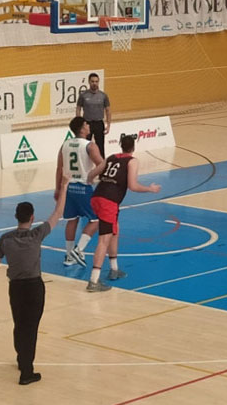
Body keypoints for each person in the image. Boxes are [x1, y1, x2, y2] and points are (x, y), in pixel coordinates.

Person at [0, 175, 71, 385]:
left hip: (16, 288)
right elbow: (58, 213)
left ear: (16, 217)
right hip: (33, 287)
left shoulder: (6, 239)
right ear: (31, 217)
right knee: (30, 328)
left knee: (19, 325)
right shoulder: (37, 234)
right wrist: (64, 186)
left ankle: (22, 360)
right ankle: (26, 372)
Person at [85, 135, 161, 292]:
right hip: (109, 201)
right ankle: (93, 281)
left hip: (97, 197)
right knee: (104, 240)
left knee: (114, 230)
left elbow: (92, 173)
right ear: (133, 147)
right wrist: (149, 189)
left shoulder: (112, 157)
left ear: (121, 146)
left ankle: (114, 269)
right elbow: (132, 186)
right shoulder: (132, 161)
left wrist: (89, 182)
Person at [55, 116, 104, 267]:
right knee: (96, 220)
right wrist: (92, 175)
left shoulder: (65, 145)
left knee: (72, 219)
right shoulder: (90, 145)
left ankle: (69, 255)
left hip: (69, 188)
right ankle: (79, 249)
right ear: (82, 129)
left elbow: (59, 168)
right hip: (83, 187)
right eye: (86, 124)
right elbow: (102, 164)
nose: (89, 126)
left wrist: (58, 188)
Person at [76, 73, 111, 158]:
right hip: (87, 124)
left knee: (100, 146)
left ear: (98, 82)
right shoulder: (83, 95)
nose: (94, 83)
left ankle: (102, 166)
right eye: (92, 81)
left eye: (96, 81)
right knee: (85, 145)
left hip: (99, 123)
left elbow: (108, 110)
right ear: (89, 82)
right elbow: (78, 108)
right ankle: (85, 162)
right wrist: (79, 124)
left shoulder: (103, 96)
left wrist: (108, 125)